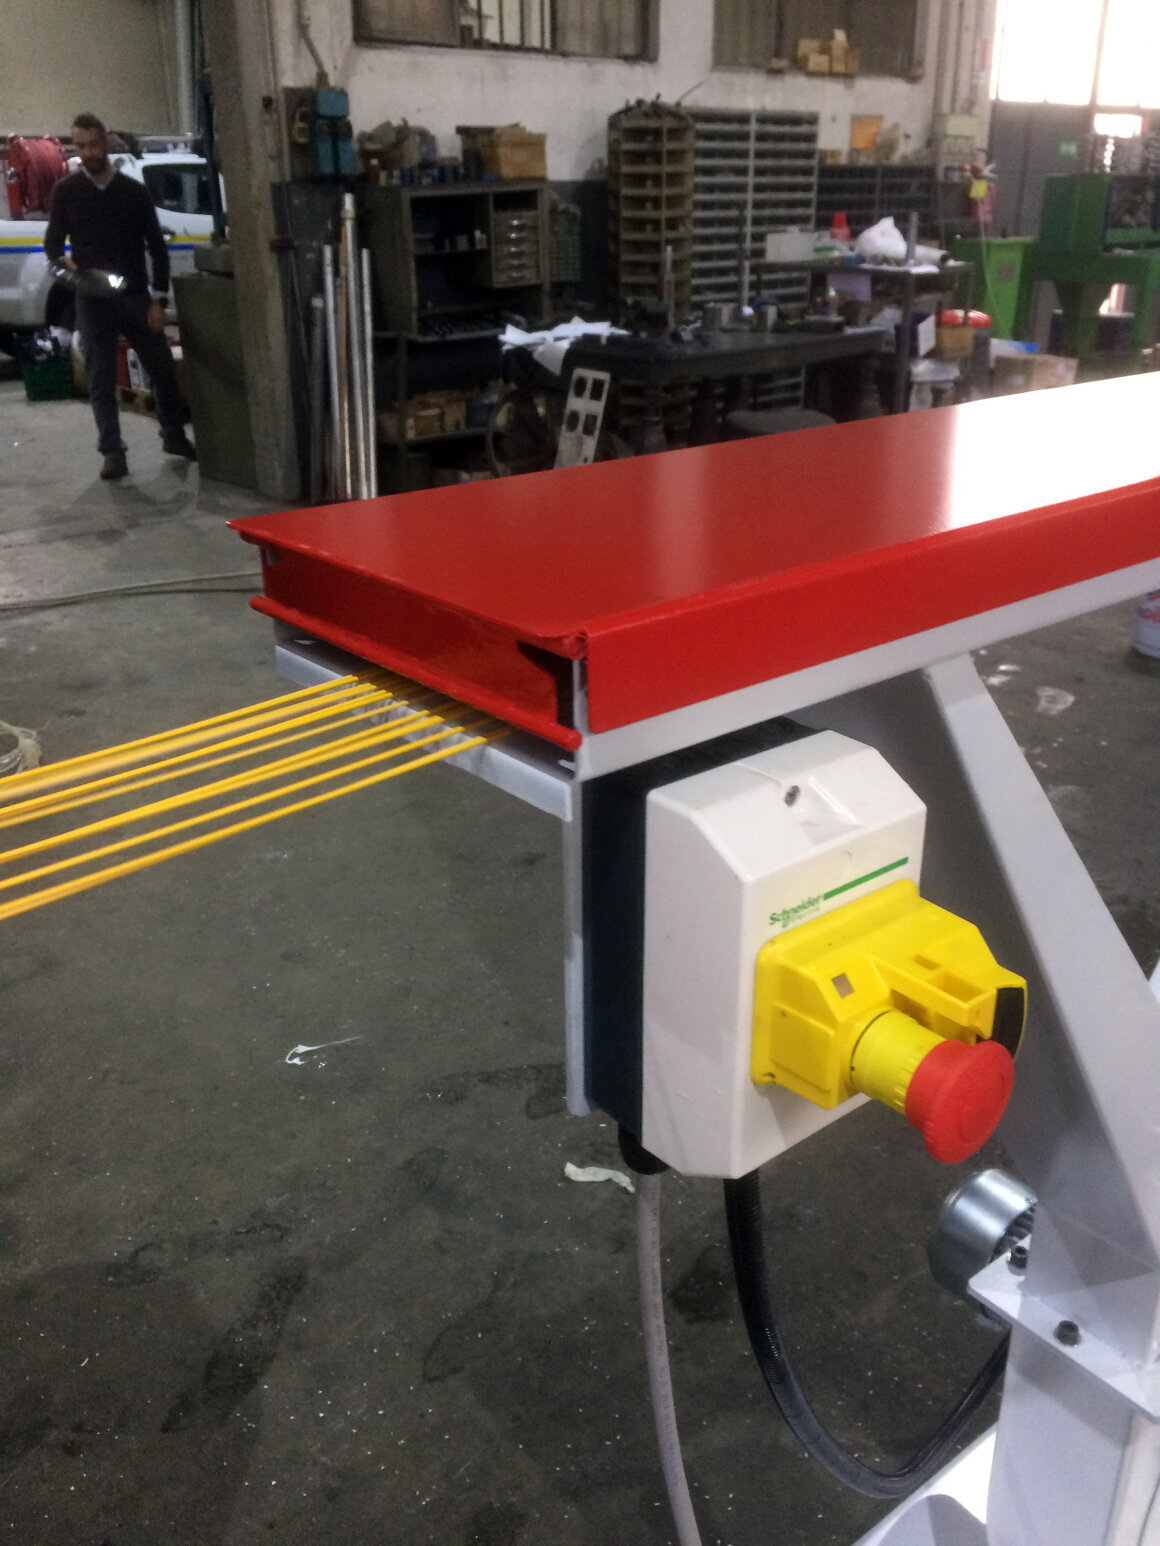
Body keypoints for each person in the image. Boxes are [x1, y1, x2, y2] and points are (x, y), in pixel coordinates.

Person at [44, 112, 196, 481]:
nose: (88, 153)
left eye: (94, 145)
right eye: (81, 146)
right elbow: (52, 245)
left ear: (106, 143)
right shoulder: (66, 192)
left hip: (135, 297)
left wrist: (159, 299)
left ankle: (173, 436)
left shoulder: (133, 193)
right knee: (100, 378)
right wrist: (66, 262)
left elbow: (157, 247)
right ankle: (112, 453)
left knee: (162, 368)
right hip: (92, 299)